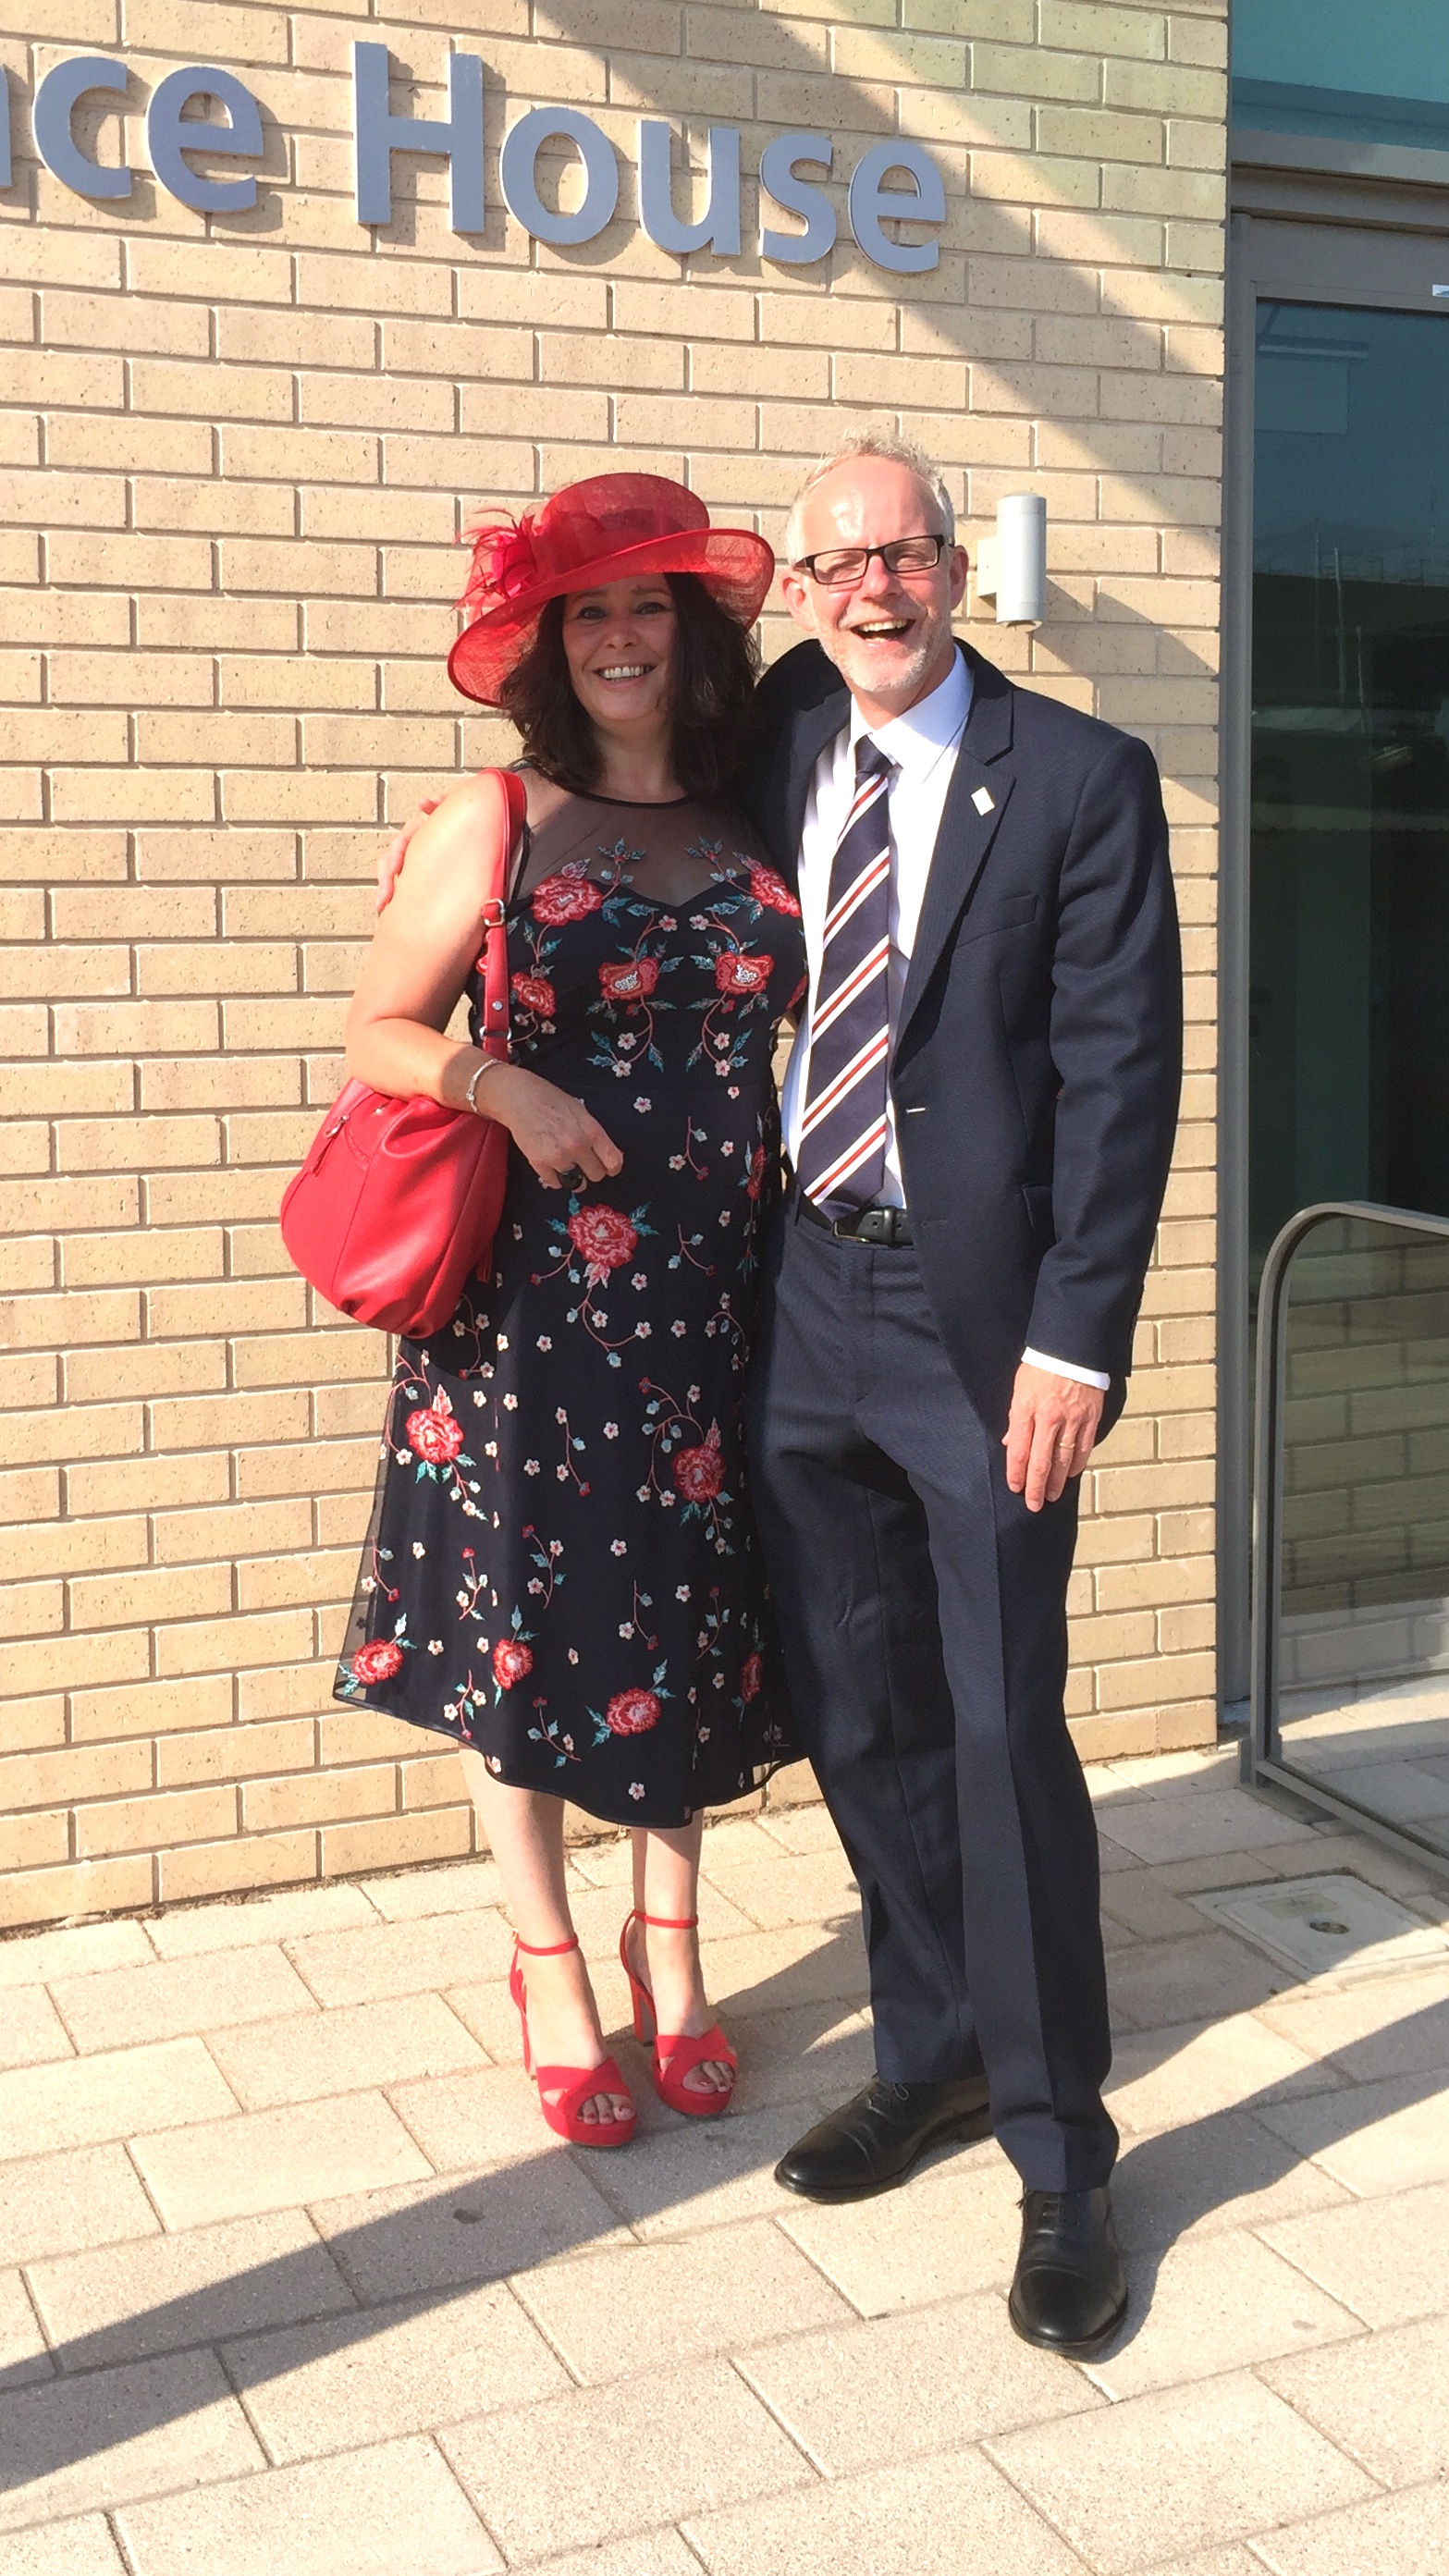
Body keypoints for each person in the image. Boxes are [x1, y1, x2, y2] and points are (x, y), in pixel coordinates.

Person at [742, 429, 1182, 2358]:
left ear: (952, 563)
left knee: (1002, 1729)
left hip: (981, 1326)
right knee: (856, 1702)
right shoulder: (785, 737)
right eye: (838, 566)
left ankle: (1060, 2154)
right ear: (805, 588)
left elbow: (1120, 1079)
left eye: (904, 554)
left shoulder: (1078, 776)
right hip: (799, 1299)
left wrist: (1074, 1340)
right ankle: (924, 2046)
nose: (875, 591)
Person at [340, 473, 802, 2151]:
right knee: (523, 1625)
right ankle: (549, 1958)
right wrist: (502, 1084)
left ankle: (669, 1943)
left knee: (691, 1615)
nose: (619, 635)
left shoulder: (759, 813)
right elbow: (377, 1029)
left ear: (692, 636)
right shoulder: (501, 817)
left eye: (648, 607)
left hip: (724, 1292)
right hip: (531, 1314)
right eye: (589, 610)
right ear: (551, 642)